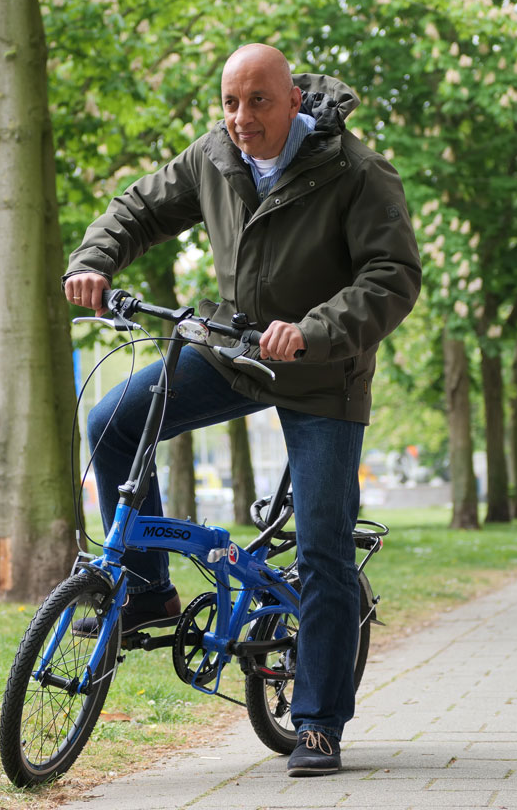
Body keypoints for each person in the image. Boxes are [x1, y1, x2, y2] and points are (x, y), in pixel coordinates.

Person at [63, 44, 421, 776]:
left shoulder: (357, 172)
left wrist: (314, 329)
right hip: (236, 351)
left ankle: (318, 722)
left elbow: (392, 277)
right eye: (229, 102)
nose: (241, 118)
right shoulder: (215, 157)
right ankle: (148, 592)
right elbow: (139, 208)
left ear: (294, 100)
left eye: (257, 101)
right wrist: (95, 260)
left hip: (322, 374)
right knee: (112, 421)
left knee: (323, 545)